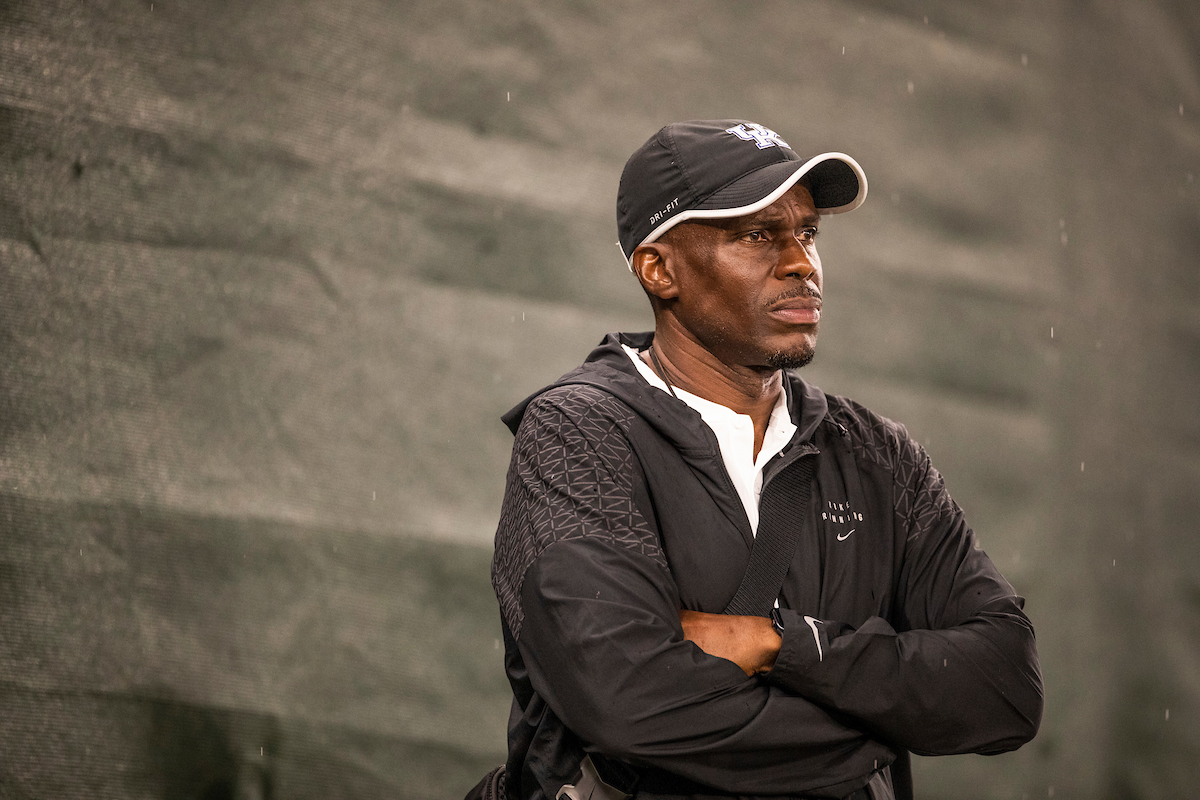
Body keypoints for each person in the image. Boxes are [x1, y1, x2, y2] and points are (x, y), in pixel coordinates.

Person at [486, 120, 1043, 800]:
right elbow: (625, 701)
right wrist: (878, 728)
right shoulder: (579, 434)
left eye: (806, 233)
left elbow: (1006, 687)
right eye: (756, 236)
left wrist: (786, 646)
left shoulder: (878, 456)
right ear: (660, 269)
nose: (801, 263)